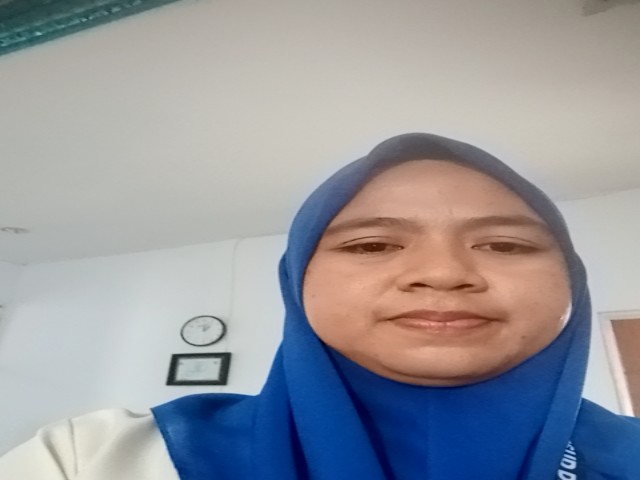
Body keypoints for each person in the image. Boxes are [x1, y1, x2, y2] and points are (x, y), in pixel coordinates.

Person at [1, 132, 639, 479]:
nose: (443, 273)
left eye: (504, 245)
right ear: (297, 281)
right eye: (372, 245)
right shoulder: (92, 460)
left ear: (572, 283)